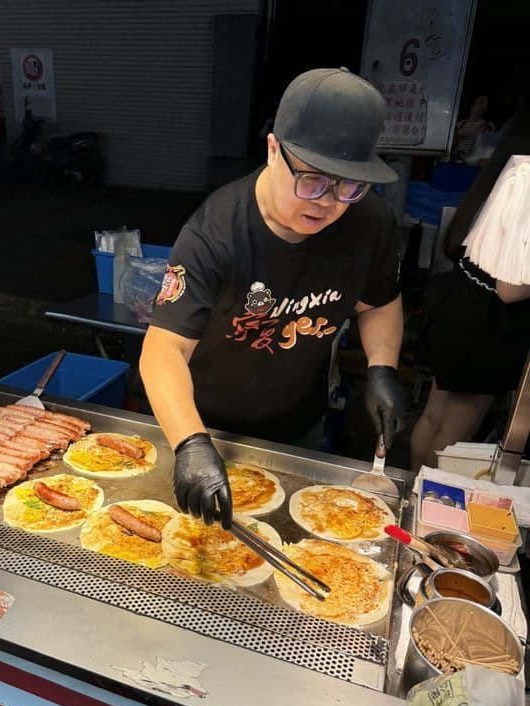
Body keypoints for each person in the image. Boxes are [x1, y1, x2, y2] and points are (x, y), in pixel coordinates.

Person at [140, 67, 406, 527]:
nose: (327, 201)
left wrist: (383, 368)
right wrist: (190, 442)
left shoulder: (370, 222)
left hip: (296, 427)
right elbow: (163, 349)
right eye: (313, 179)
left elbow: (378, 302)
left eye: (348, 185)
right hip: (206, 424)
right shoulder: (216, 233)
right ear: (272, 149)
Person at [410, 95, 530, 472]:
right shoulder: (527, 178)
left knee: (434, 417)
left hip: (462, 300)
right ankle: (428, 499)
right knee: (454, 433)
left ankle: (413, 490)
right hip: (489, 321)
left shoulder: (510, 164)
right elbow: (511, 288)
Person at [451, 94, 496, 164]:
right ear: (472, 106)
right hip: (455, 162)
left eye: (486, 104)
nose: (484, 106)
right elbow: (450, 146)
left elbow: (487, 146)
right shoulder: (460, 124)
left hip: (473, 163)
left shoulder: (488, 125)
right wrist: (457, 136)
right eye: (481, 102)